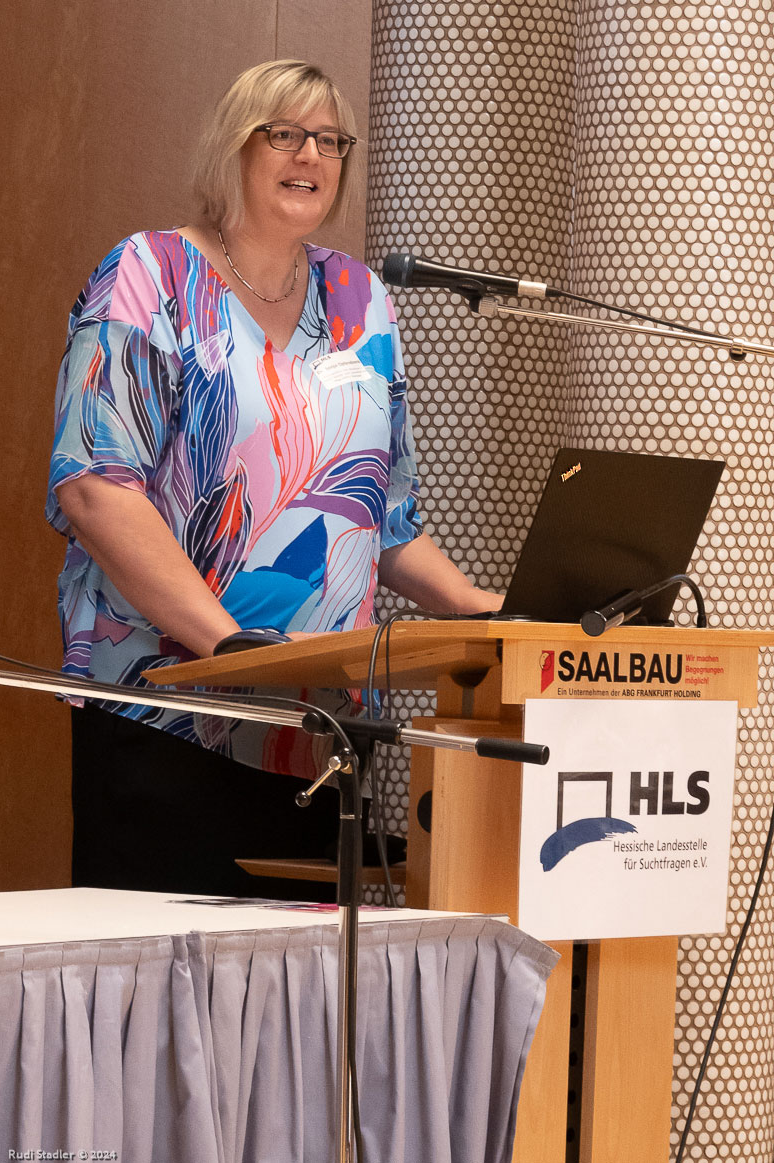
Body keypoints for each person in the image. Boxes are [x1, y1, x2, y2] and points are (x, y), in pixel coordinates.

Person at [46, 59, 502, 897]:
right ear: (235, 146)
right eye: (285, 133)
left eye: (330, 141)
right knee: (171, 976)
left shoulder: (361, 298)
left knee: (306, 980)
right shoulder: (149, 275)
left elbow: (385, 518)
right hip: (169, 717)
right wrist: (230, 647)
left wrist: (487, 612)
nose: (312, 155)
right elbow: (96, 488)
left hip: (319, 735)